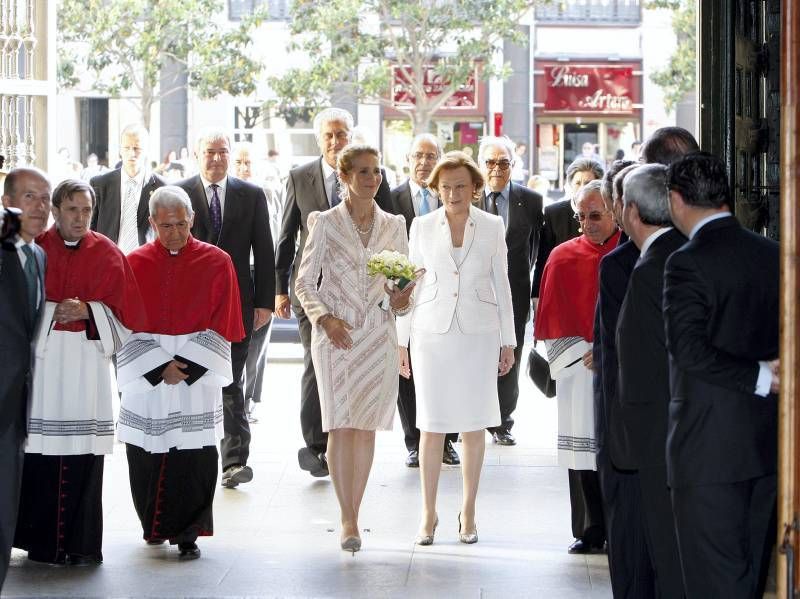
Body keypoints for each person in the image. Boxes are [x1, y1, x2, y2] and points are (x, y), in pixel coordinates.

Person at [12, 179, 148, 566]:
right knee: (40, 454)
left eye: (86, 210)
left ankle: (81, 544)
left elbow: (128, 316)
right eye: (72, 209)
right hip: (45, 365)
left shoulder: (108, 253)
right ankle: (40, 543)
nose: (80, 217)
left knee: (85, 455)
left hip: (87, 365)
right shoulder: (34, 248)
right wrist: (53, 309)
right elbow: (13, 308)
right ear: (55, 211)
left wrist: (91, 310)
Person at [664, 152, 778, 598]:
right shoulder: (772, 255)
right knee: (747, 580)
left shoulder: (686, 261)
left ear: (676, 200)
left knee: (714, 582)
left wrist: (763, 377)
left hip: (707, 453)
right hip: (766, 448)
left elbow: (687, 349)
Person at [594, 126, 698, 591]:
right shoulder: (693, 252)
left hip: (640, 438)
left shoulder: (629, 265)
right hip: (693, 437)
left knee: (646, 554)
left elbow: (619, 362)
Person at [117, 186, 244, 560]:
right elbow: (125, 325)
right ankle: (153, 526)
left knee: (194, 453)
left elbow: (225, 323)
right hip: (148, 370)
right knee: (145, 450)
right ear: (152, 222)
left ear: (192, 219)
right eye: (165, 225)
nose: (174, 232)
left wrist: (184, 367)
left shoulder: (218, 262)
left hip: (197, 372)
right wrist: (158, 366)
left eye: (181, 224)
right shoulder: (134, 262)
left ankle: (189, 531)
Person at [397, 151, 516, 546]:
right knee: (430, 424)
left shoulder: (493, 225)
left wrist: (508, 340)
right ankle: (428, 513)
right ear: (436, 189)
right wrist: (402, 340)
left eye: (461, 186)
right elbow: (408, 285)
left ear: (475, 188)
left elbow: (502, 282)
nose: (453, 193)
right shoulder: (422, 226)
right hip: (430, 332)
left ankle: (469, 510)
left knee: (474, 424)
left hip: (479, 333)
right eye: (445, 187)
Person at [295, 144, 410, 552]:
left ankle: (356, 514)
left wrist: (401, 299)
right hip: (335, 336)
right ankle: (347, 518)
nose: (371, 178)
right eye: (362, 171)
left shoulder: (395, 224)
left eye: (376, 171)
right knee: (339, 426)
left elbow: (400, 287)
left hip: (378, 335)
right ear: (344, 177)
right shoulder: (323, 222)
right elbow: (304, 282)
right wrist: (325, 319)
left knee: (364, 428)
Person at [274, 107, 392, 479]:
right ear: (319, 139)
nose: (335, 140)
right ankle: (316, 444)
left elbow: (381, 232)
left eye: (342, 134)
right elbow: (286, 236)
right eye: (329, 135)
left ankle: (349, 428)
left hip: (361, 295)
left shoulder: (370, 176)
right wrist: (280, 290)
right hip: (312, 294)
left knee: (355, 368)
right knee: (316, 366)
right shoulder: (299, 177)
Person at [178, 128, 275, 489]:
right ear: (196, 154)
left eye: (223, 152)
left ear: (230, 154)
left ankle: (234, 461)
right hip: (192, 307)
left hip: (239, 303)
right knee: (196, 377)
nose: (216, 158)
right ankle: (195, 451)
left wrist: (265, 301)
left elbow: (264, 249)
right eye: (209, 152)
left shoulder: (250, 195)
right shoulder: (178, 193)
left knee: (232, 378)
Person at [535, 179, 620, 554]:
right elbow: (549, 319)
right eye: (581, 216)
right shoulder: (562, 256)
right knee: (582, 455)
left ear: (615, 212)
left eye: (596, 215)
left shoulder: (633, 254)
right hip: (576, 368)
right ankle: (588, 528)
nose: (587, 223)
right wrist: (580, 350)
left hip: (619, 367)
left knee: (618, 451)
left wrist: (609, 349)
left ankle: (621, 528)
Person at [615, 164, 686, 597]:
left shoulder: (652, 269)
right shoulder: (681, 253)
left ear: (632, 212)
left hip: (662, 440)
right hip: (677, 435)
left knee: (670, 558)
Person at [390, 133, 460, 468]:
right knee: (407, 372)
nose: (424, 162)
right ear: (408, 158)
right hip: (403, 298)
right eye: (418, 155)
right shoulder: (389, 198)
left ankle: (446, 441)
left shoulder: (451, 199)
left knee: (446, 373)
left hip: (446, 301)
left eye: (431, 156)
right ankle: (415, 443)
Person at [0, 168, 49, 590]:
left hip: (15, 404)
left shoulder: (38, 256)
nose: (40, 207)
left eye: (45, 198)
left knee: (4, 510)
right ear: (7, 204)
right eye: (29, 197)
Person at [478, 136, 543, 446]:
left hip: (514, 292)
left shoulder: (531, 201)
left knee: (509, 356)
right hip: (474, 294)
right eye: (490, 162)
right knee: (476, 357)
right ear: (481, 165)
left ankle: (503, 422)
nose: (497, 169)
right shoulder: (468, 195)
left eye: (504, 163)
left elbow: (535, 249)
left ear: (513, 166)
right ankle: (473, 417)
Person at [230, 142, 275, 424]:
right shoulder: (226, 195)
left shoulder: (265, 193)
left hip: (259, 274)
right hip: (234, 276)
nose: (245, 168)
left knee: (256, 345)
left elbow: (274, 241)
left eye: (249, 163)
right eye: (240, 163)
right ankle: (238, 399)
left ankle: (248, 399)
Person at [531, 157, 604, 309]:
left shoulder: (606, 213)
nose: (582, 187)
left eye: (588, 183)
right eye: (577, 183)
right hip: (561, 290)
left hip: (595, 292)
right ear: (570, 184)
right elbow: (543, 257)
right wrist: (537, 295)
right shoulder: (554, 212)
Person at [90, 124, 167, 254]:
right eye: (127, 148)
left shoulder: (163, 187)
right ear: (120, 150)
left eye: (137, 148)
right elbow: (91, 229)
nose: (132, 153)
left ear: (147, 150)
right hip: (108, 261)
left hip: (147, 262)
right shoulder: (100, 184)